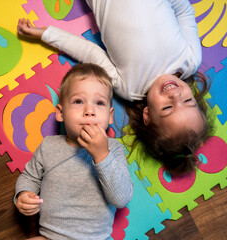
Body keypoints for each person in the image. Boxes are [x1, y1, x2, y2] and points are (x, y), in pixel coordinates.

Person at [17, 0, 212, 174]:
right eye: (188, 100)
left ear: (147, 115)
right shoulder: (191, 59)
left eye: (168, 108)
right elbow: (184, 11)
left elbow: (90, 52)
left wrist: (47, 34)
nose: (175, 95)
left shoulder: (129, 87)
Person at [14, 63, 133, 240]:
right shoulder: (49, 145)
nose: (89, 111)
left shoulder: (113, 148)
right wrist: (23, 194)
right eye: (78, 101)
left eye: (99, 103)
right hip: (51, 236)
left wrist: (101, 155)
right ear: (61, 113)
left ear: (109, 116)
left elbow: (121, 198)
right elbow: (29, 177)